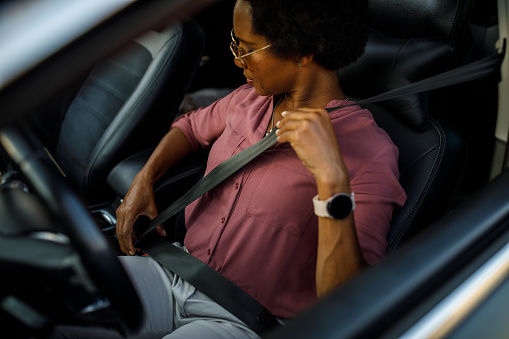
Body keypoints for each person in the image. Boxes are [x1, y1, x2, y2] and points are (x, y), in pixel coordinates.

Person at [52, 0, 406, 338]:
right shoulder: (248, 98)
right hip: (174, 272)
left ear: (303, 51)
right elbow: (189, 128)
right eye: (234, 42)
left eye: (247, 47)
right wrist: (143, 181)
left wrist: (332, 181)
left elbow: (349, 301)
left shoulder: (369, 152)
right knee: (48, 308)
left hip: (243, 320)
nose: (237, 61)